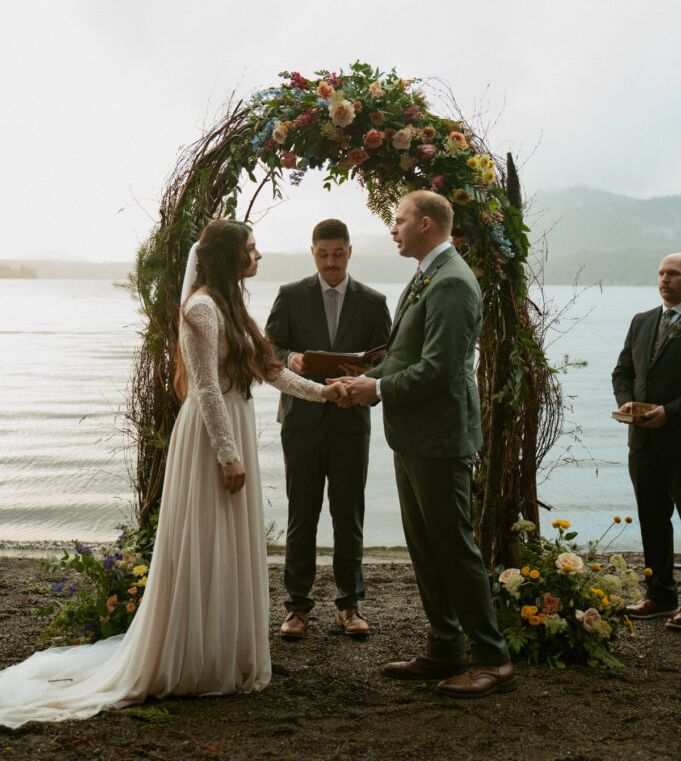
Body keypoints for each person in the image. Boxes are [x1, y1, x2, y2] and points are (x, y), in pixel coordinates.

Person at [0, 220, 347, 728]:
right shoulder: (202, 308)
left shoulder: (230, 305)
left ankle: (225, 651)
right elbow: (206, 388)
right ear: (231, 256)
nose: (259, 255)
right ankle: (195, 658)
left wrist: (324, 392)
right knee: (206, 541)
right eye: (252, 248)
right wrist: (228, 456)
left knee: (230, 543)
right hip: (212, 438)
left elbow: (268, 369)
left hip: (235, 423)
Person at [337, 191, 515, 697]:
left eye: (399, 220)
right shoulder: (424, 277)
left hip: (440, 438)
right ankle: (445, 646)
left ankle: (492, 658)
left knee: (454, 549)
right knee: (424, 546)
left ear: (428, 223)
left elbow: (438, 371)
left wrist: (377, 388)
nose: (393, 229)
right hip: (414, 436)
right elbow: (402, 355)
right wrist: (363, 381)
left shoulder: (454, 282)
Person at [265, 219, 391, 639]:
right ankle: (297, 608)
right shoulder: (290, 295)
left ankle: (349, 605)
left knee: (348, 513)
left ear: (350, 251)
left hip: (352, 421)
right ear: (313, 252)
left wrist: (365, 377)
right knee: (301, 513)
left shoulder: (374, 302)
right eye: (323, 255)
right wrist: (291, 359)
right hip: (301, 421)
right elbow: (269, 351)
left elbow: (389, 359)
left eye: (338, 254)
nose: (331, 262)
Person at [612, 252, 681, 630]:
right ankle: (660, 595)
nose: (665, 279)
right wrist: (625, 401)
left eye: (673, 274)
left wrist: (670, 411)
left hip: (679, 438)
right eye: (661, 273)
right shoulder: (641, 322)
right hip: (642, 441)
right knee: (652, 518)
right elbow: (622, 371)